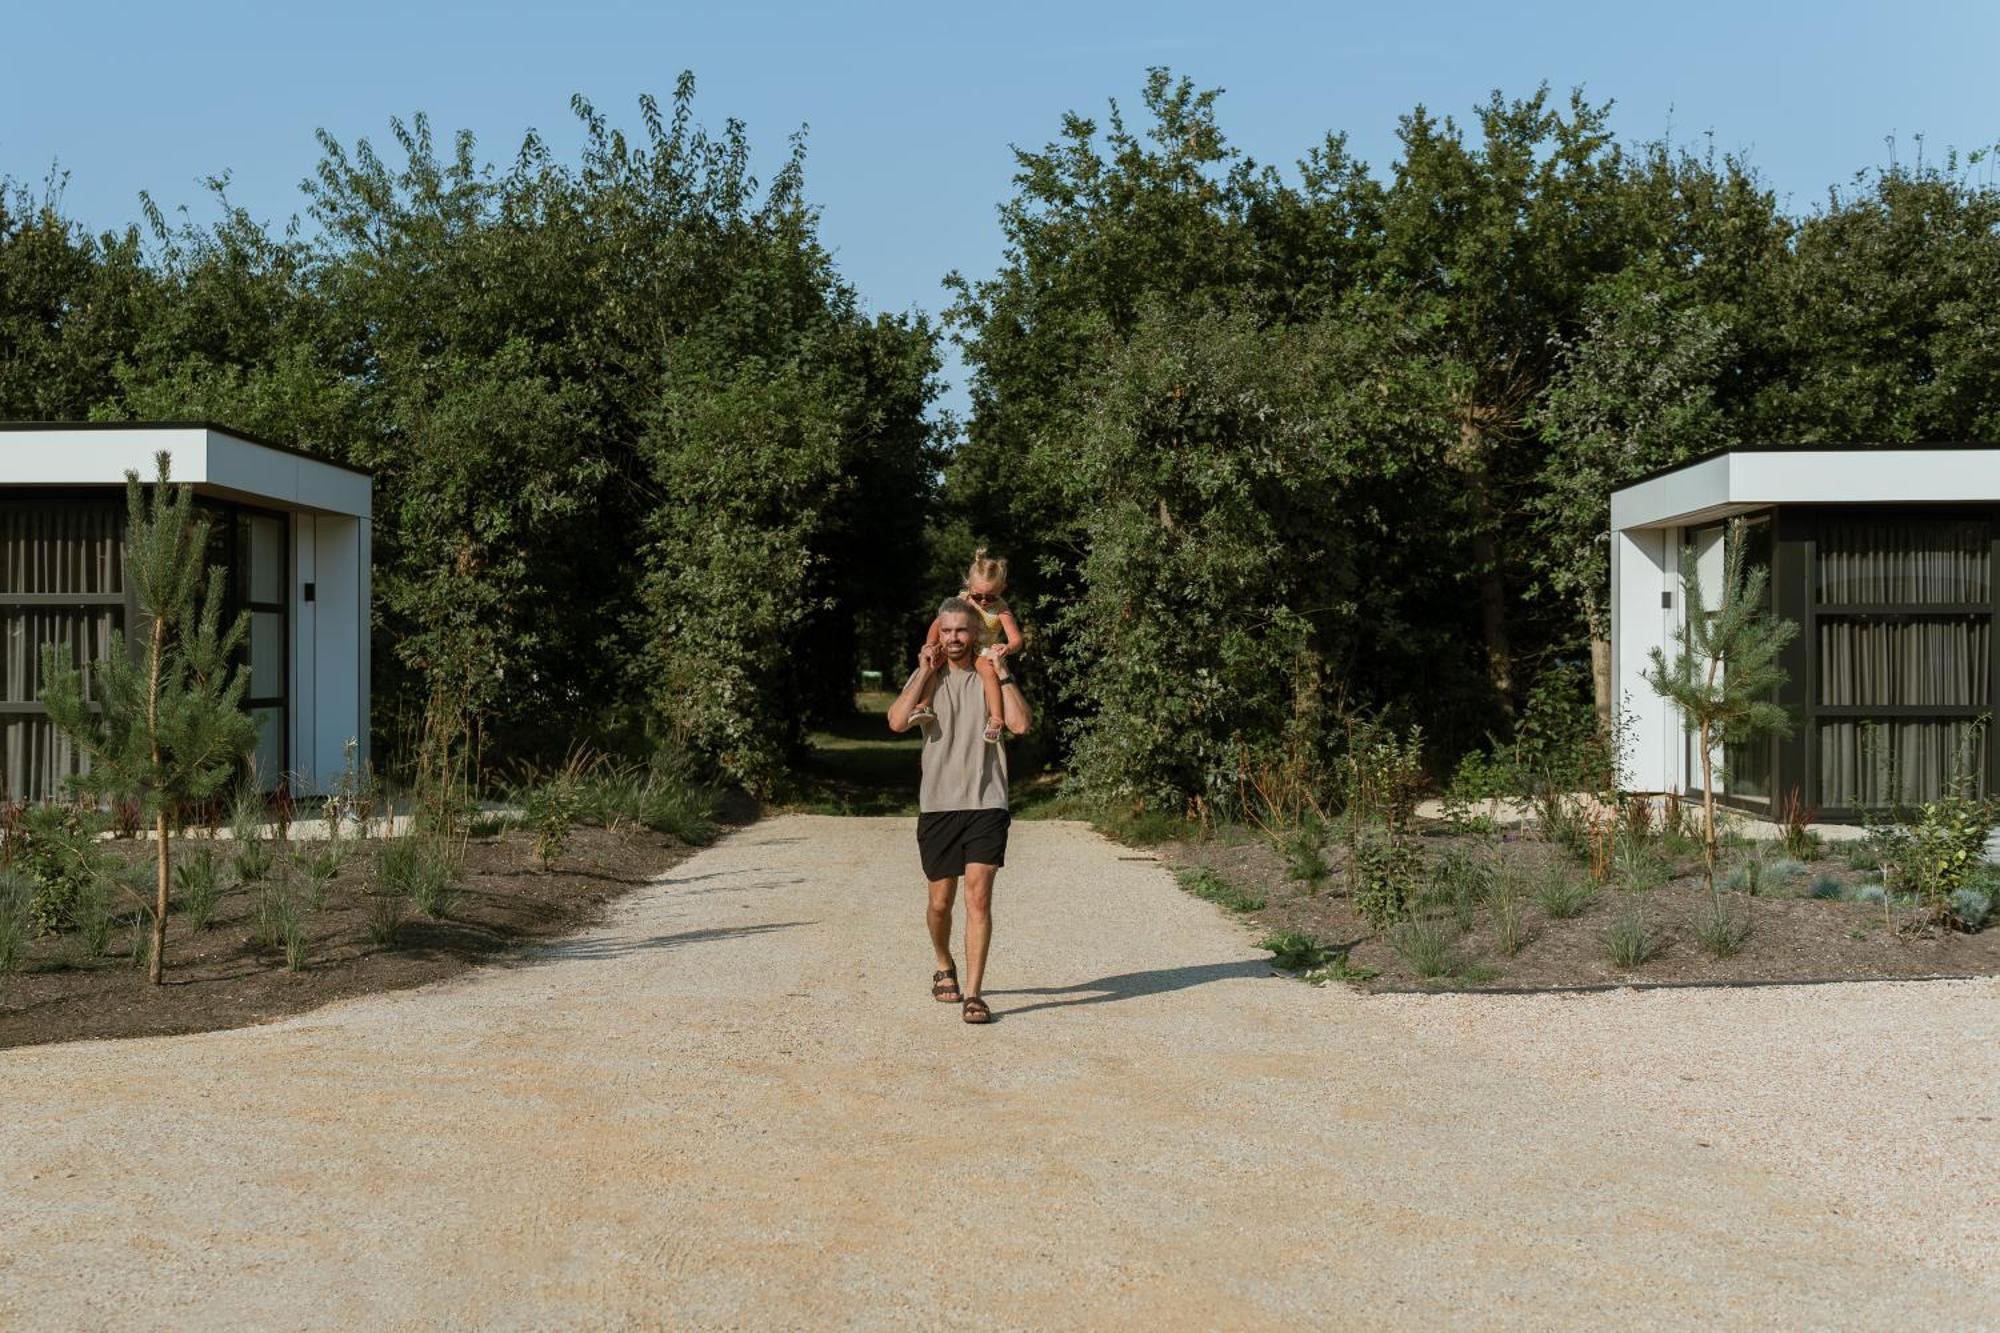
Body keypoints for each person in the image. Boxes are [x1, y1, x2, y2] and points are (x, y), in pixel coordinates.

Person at [887, 596, 1032, 1024]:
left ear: (975, 633)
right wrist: (923, 670)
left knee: (979, 898)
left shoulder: (990, 673)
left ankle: (974, 993)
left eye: (961, 630)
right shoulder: (928, 678)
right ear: (938, 632)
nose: (954, 638)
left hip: (987, 801)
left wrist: (1004, 672)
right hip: (938, 805)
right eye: (946, 630)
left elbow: (1021, 725)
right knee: (939, 902)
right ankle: (943, 962)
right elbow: (896, 721)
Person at [907, 548, 1024, 743]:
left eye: (991, 596)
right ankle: (924, 705)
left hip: (982, 649)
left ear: (1002, 588)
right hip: (958, 644)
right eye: (978, 596)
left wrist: (1007, 647)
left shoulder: (1002, 610)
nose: (984, 601)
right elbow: (938, 624)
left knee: (988, 671)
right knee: (933, 663)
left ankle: (996, 719)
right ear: (968, 586)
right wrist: (930, 645)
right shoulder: (962, 600)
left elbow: (1017, 640)